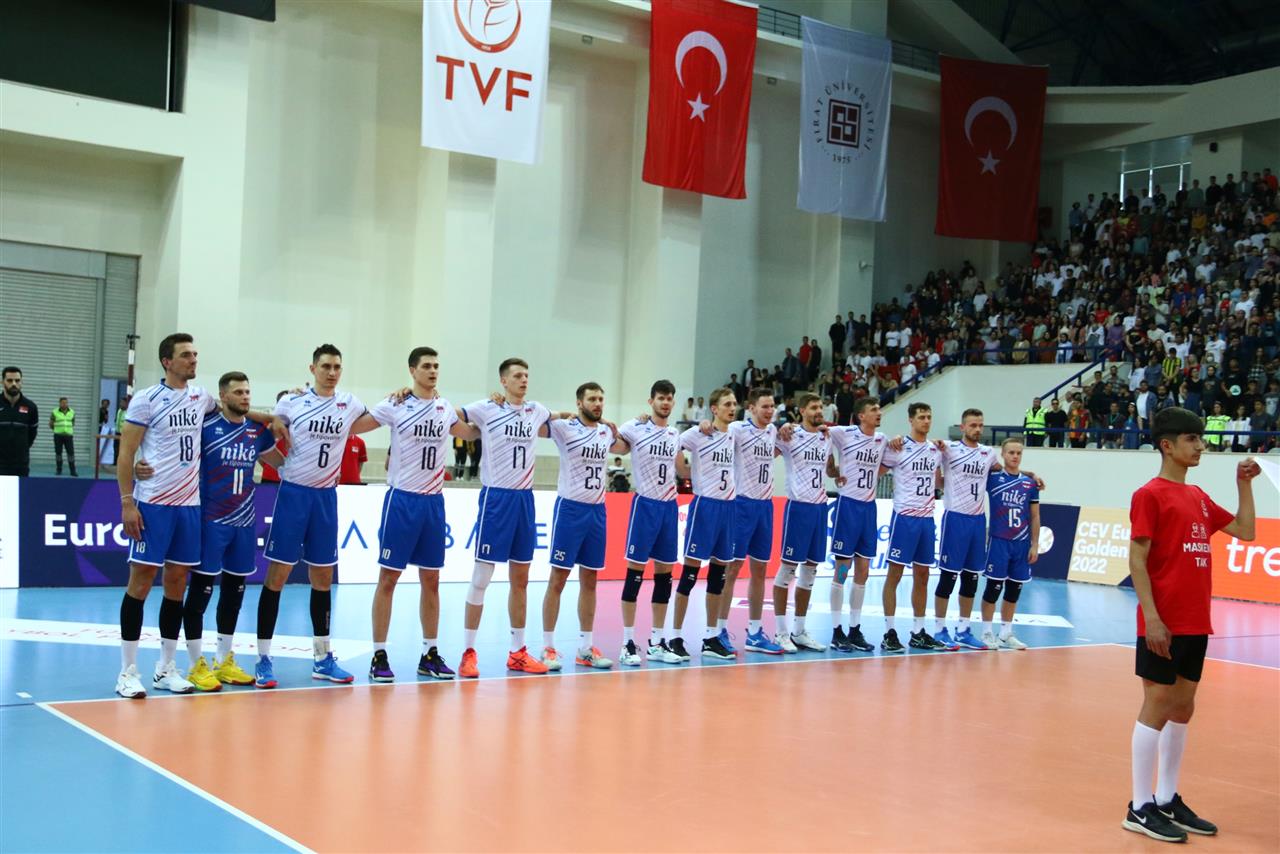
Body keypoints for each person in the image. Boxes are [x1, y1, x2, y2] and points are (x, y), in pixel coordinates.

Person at [1123, 408, 1258, 842]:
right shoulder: (1149, 495)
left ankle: (1166, 797)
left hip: (1196, 619)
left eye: (1200, 439)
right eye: (1191, 439)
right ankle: (1139, 806)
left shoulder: (1197, 495)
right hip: (1163, 621)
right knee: (1158, 703)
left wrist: (1243, 484)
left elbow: (1246, 531)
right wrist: (1153, 618)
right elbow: (1137, 559)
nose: (1200, 446)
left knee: (1183, 707)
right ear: (1167, 445)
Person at [255, 344, 380, 689]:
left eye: (337, 366)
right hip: (294, 495)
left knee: (323, 577)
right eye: (326, 366)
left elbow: (379, 417)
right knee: (277, 575)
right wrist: (282, 466)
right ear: (312, 369)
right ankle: (263, 658)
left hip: (326, 497)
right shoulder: (291, 402)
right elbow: (262, 440)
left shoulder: (350, 403)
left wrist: (402, 395)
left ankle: (323, 658)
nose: (332, 372)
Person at [114, 334, 221, 698]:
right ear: (167, 361)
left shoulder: (201, 397)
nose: (193, 360)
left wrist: (275, 414)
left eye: (195, 354)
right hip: (153, 504)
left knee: (176, 583)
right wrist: (127, 502)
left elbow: (232, 411)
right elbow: (126, 453)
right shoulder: (147, 399)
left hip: (189, 506)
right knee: (141, 581)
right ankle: (127, 672)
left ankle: (165, 668)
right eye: (186, 355)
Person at [366, 347, 477, 683]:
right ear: (412, 370)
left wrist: (497, 406)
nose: (433, 371)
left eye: (436, 366)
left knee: (432, 580)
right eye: (426, 366)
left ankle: (429, 653)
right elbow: (356, 424)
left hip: (433, 503)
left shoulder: (444, 408)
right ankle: (378, 655)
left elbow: (471, 432)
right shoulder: (396, 404)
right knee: (389, 578)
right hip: (402, 500)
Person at [177, 371, 284, 691]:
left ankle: (223, 661)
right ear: (223, 396)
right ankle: (195, 664)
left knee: (234, 593)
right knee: (200, 592)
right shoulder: (206, 427)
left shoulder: (256, 431)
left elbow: (280, 463)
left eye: (248, 392)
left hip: (244, 523)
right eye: (238, 392)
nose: (245, 397)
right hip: (211, 521)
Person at [456, 358, 554, 677]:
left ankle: (517, 652)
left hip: (524, 499)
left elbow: (565, 418)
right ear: (503, 381)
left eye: (526, 375)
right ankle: (468, 652)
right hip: (496, 499)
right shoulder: (487, 408)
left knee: (521, 579)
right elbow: (450, 414)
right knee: (481, 578)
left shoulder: (536, 410)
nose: (524, 380)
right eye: (517, 375)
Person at [539, 382, 627, 671]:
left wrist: (633, 423)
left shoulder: (606, 432)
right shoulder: (565, 427)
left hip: (597, 511)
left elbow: (628, 446)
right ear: (579, 402)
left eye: (601, 398)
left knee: (590, 580)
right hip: (570, 509)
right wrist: (560, 413)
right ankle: (548, 647)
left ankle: (586, 648)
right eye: (592, 399)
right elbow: (535, 424)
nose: (598, 403)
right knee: (558, 579)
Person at [613, 380, 683, 665]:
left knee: (665, 576)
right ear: (651, 401)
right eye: (661, 398)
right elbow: (616, 445)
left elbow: (683, 468)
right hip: (645, 505)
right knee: (635, 574)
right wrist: (629, 422)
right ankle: (627, 642)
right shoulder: (636, 427)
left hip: (669, 507)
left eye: (669, 398)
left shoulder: (675, 434)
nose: (665, 403)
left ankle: (656, 641)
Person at [672, 387, 738, 661]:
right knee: (690, 574)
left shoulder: (736, 433)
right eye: (727, 404)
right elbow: (672, 443)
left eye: (734, 404)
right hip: (705, 506)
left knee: (718, 577)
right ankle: (675, 636)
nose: (732, 408)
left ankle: (711, 637)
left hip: (728, 508)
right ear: (714, 408)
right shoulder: (699, 433)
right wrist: (683, 471)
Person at [720, 387, 782, 656]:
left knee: (760, 570)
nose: (770, 411)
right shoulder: (737, 429)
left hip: (765, 506)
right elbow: (715, 432)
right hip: (741, 505)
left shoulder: (773, 431)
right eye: (765, 406)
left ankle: (755, 633)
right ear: (751, 408)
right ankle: (719, 630)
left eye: (772, 406)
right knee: (732, 569)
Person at [879, 402, 945, 652]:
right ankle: (889, 632)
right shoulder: (898, 447)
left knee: (923, 575)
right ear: (911, 420)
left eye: (929, 417)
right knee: (894, 575)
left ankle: (918, 631)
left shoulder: (936, 450)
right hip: (904, 518)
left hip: (927, 519)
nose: (926, 421)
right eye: (921, 417)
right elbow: (875, 471)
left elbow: (939, 481)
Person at [932, 409, 999, 651]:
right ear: (962, 427)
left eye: (980, 425)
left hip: (978, 521)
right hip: (955, 518)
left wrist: (1029, 474)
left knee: (971, 579)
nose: (977, 429)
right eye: (973, 425)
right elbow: (930, 457)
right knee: (948, 577)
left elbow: (1006, 472)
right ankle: (939, 630)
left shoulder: (988, 453)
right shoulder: (948, 448)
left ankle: (963, 630)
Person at [825, 396, 886, 653]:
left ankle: (854, 628)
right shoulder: (845, 433)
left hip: (869, 508)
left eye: (879, 409)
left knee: (863, 570)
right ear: (861, 416)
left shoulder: (882, 439)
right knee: (842, 569)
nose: (879, 413)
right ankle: (836, 630)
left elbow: (888, 462)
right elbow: (821, 432)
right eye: (874, 410)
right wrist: (833, 469)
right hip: (848, 506)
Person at [771, 393, 831, 653]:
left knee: (810, 571)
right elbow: (764, 451)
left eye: (821, 406)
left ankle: (799, 630)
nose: (819, 411)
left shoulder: (827, 436)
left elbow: (831, 466)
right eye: (814, 407)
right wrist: (782, 425)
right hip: (798, 507)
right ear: (802, 411)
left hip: (820, 508)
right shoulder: (790, 435)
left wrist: (839, 474)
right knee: (787, 569)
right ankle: (780, 632)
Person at [979, 437, 1040, 650]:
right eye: (1011, 452)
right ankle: (987, 632)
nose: (1015, 456)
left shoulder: (1030, 484)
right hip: (999, 542)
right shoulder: (993, 478)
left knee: (1014, 590)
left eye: (1018, 453)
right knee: (993, 588)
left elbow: (1035, 516)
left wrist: (1035, 544)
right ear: (1003, 454)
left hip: (1021, 543)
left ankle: (1006, 633)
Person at [0, 367, 38, 477]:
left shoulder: (31, 407)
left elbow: (32, 434)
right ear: (2, 382)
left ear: (22, 382)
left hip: (21, 466)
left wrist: (22, 448)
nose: (14, 384)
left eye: (17, 380)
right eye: (9, 380)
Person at [50, 397, 77, 476]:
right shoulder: (54, 412)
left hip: (68, 436)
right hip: (58, 436)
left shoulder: (72, 412)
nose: (64, 404)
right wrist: (57, 429)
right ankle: (59, 470)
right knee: (58, 453)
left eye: (66, 402)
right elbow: (51, 423)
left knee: (70, 453)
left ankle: (73, 471)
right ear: (60, 403)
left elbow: (73, 423)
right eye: (62, 402)